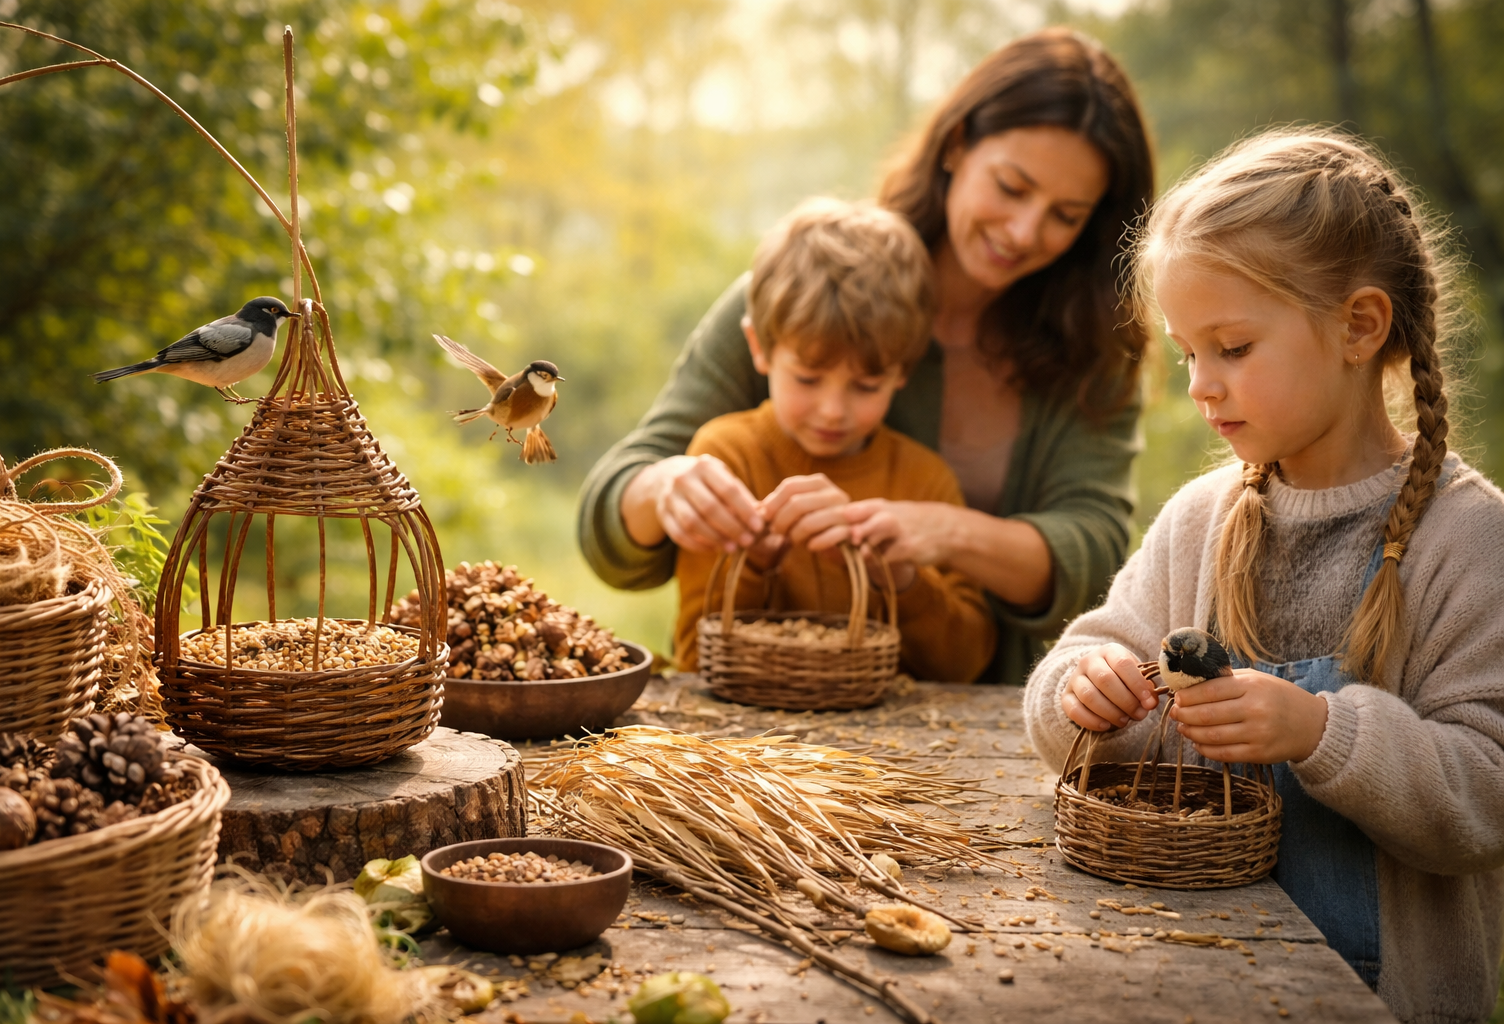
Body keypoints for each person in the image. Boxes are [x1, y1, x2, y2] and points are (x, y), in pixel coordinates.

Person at [1023, 130, 1504, 1023]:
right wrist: (1084, 693)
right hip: (1191, 987)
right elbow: (1083, 664)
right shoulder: (1201, 521)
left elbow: (1487, 794)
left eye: (1233, 348)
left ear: (1360, 326)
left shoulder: (1469, 540)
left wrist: (1325, 733)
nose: (1201, 386)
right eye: (1186, 352)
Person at [577, 28, 1155, 684]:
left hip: (994, 725)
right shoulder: (809, 292)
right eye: (1012, 187)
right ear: (957, 143)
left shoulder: (1094, 346)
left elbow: (1096, 556)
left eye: (1066, 214)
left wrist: (940, 533)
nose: (1024, 231)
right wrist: (665, 487)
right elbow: (611, 523)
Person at [673, 198, 995, 682]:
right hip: (748, 743)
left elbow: (964, 665)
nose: (832, 410)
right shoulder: (727, 459)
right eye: (807, 378)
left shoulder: (924, 480)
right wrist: (756, 563)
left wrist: (902, 580)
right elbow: (696, 658)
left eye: (866, 386)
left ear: (903, 370)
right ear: (760, 348)